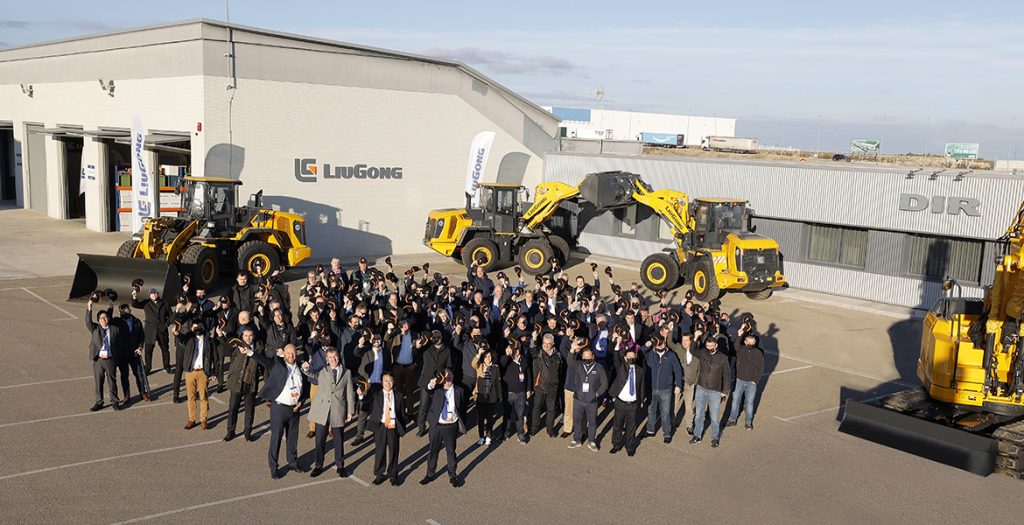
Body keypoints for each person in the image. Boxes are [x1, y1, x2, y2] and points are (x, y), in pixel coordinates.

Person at [246, 343, 308, 479]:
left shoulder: (300, 367)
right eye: (288, 353)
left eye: (293, 353)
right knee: (276, 439)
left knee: (292, 438)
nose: (291, 355)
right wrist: (251, 353)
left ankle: (292, 462)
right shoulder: (278, 365)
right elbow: (264, 361)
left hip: (295, 409)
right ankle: (274, 467)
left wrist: (301, 402)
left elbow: (306, 387)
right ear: (284, 354)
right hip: (279, 409)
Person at [302, 346, 355, 478]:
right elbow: (312, 374)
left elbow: (349, 393)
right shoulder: (323, 371)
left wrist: (350, 411)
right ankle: (318, 465)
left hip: (338, 410)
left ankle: (340, 466)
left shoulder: (347, 373)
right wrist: (306, 369)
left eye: (335, 357)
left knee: (338, 440)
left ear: (339, 357)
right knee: (320, 440)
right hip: (322, 410)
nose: (333, 359)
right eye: (330, 357)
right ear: (327, 359)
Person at [420, 369, 465, 488]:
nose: (448, 378)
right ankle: (430, 474)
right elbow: (427, 390)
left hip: (451, 426)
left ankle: (453, 475)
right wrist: (431, 384)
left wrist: (458, 422)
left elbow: (462, 408)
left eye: (450, 375)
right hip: (437, 426)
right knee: (433, 450)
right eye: (445, 376)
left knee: (451, 451)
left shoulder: (459, 390)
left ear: (453, 376)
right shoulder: (437, 390)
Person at [689, 337, 731, 448]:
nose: (710, 348)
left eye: (712, 346)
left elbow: (727, 375)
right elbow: (692, 351)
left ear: (716, 345)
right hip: (701, 388)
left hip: (715, 391)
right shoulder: (703, 353)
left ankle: (715, 438)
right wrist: (695, 338)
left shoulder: (723, 358)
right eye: (708, 346)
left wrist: (725, 391)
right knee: (699, 415)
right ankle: (697, 435)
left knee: (714, 417)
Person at [643, 333, 684, 443]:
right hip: (651, 388)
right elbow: (639, 354)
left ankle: (667, 433)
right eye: (659, 343)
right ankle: (650, 430)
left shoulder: (672, 355)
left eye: (662, 342)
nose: (661, 344)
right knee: (651, 411)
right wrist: (646, 346)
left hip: (666, 389)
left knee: (665, 413)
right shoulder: (650, 354)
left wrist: (678, 385)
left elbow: (678, 370)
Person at [367, 372, 406, 486]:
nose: (388, 383)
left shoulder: (399, 395)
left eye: (390, 380)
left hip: (393, 426)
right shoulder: (376, 395)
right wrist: (361, 395)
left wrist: (401, 427)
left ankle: (393, 474)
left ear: (393, 381)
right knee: (380, 451)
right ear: (381, 382)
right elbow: (365, 404)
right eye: (385, 381)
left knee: (394, 451)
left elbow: (402, 413)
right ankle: (379, 474)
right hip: (381, 426)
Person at [224, 328, 262, 442]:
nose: (248, 338)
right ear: (242, 336)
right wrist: (221, 335)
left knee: (249, 410)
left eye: (250, 335)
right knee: (233, 409)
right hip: (236, 382)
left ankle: (247, 433)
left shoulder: (259, 348)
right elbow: (225, 347)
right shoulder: (237, 347)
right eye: (245, 336)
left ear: (253, 336)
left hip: (250, 383)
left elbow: (263, 365)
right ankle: (230, 432)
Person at [567, 344, 607, 452]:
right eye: (585, 357)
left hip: (592, 401)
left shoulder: (599, 368)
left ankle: (592, 441)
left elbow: (604, 384)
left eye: (589, 357)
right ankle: (577, 439)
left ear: (593, 356)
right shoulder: (579, 365)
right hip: (578, 399)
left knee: (592, 422)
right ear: (582, 357)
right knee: (577, 420)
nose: (587, 359)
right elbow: (569, 361)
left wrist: (596, 394)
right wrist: (572, 349)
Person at [176, 321, 214, 430]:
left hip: (203, 372)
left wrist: (214, 373)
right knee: (191, 397)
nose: (197, 330)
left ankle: (203, 420)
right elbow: (181, 339)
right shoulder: (190, 339)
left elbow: (215, 357)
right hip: (190, 371)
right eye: (195, 328)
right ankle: (191, 419)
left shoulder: (209, 341)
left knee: (203, 397)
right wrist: (179, 332)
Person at [86, 300, 123, 411]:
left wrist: (111, 304)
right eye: (101, 318)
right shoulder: (95, 329)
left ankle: (115, 401)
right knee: (98, 381)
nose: (104, 319)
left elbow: (119, 343)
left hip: (111, 359)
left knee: (112, 381)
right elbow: (88, 321)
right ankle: (99, 402)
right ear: (98, 320)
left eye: (105, 317)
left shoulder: (115, 329)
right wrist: (89, 308)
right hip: (99, 359)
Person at [609, 346, 644, 456]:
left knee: (631, 427)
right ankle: (616, 444)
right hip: (621, 402)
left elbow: (641, 386)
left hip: (632, 404)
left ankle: (630, 446)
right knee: (617, 425)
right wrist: (617, 346)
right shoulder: (621, 368)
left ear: (636, 357)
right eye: (629, 357)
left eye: (633, 357)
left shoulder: (640, 371)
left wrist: (641, 400)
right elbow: (616, 359)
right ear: (625, 358)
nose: (631, 359)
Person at [726, 330, 764, 430]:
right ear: (745, 342)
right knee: (735, 401)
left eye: (753, 342)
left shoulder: (758, 353)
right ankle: (732, 419)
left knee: (749, 403)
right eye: (749, 342)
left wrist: (756, 380)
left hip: (751, 383)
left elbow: (761, 368)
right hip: (739, 380)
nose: (751, 344)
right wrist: (739, 335)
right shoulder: (740, 350)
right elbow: (735, 345)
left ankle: (748, 422)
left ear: (755, 342)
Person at [113, 303, 150, 402]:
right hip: (122, 354)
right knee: (124, 376)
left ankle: (143, 393)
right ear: (120, 312)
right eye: (124, 309)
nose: (127, 310)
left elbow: (141, 336)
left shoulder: (136, 321)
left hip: (135, 353)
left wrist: (140, 347)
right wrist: (111, 304)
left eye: (127, 308)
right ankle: (127, 395)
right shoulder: (116, 322)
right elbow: (108, 318)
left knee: (139, 374)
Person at [417, 330, 451, 436]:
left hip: (440, 381)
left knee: (436, 405)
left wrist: (445, 375)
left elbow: (448, 366)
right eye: (434, 337)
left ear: (441, 337)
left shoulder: (447, 350)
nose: (436, 339)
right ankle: (421, 427)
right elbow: (417, 351)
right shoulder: (426, 349)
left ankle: (434, 425)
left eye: (438, 337)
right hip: (426, 380)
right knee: (423, 406)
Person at [131, 286, 170, 375]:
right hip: (150, 330)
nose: (154, 295)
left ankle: (167, 366)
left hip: (162, 330)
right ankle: (148, 368)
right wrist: (134, 296)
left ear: (158, 294)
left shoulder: (164, 303)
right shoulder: (146, 303)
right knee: (148, 351)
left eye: (155, 293)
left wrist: (166, 325)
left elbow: (170, 316)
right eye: (152, 294)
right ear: (149, 295)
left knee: (165, 349)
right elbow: (135, 304)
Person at [530, 333, 563, 438]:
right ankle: (534, 427)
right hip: (540, 386)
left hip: (553, 387)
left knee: (551, 409)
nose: (546, 345)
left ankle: (550, 429)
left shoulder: (558, 355)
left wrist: (557, 382)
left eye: (549, 343)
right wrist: (534, 338)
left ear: (553, 343)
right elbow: (532, 348)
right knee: (536, 408)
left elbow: (560, 371)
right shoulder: (538, 354)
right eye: (544, 343)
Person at [500, 339, 531, 444]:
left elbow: (528, 374)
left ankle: (521, 434)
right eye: (512, 349)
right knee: (507, 415)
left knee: (520, 415)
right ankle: (505, 433)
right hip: (508, 392)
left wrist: (528, 389)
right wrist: (507, 355)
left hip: (521, 392)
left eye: (516, 349)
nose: (514, 351)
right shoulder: (506, 359)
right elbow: (501, 365)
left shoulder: (524, 360)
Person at [471, 346, 502, 446]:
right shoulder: (479, 366)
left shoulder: (495, 368)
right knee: (480, 419)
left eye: (489, 356)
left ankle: (488, 436)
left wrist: (499, 395)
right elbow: (473, 364)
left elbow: (497, 382)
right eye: (486, 356)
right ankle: (481, 437)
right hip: (480, 396)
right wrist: (479, 354)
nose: (488, 358)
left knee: (490, 419)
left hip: (491, 397)